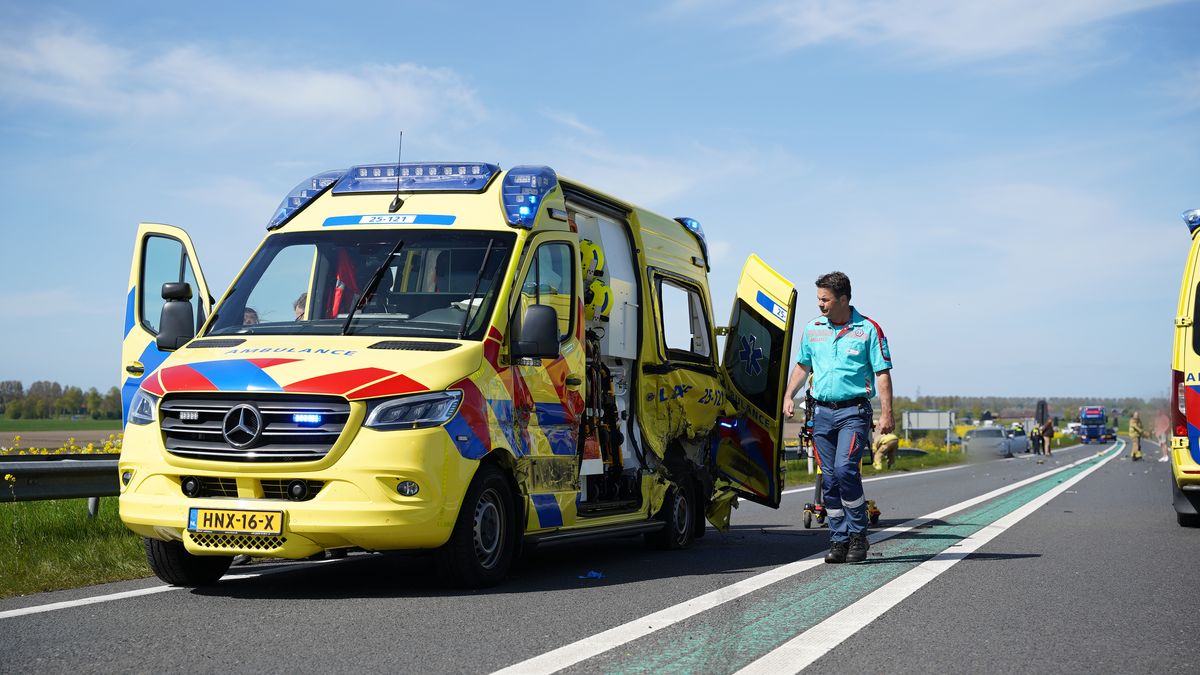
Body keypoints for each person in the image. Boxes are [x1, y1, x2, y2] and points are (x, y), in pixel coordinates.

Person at [784, 271, 893, 565]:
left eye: (825, 299)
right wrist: (788, 395)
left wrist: (887, 413)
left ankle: (859, 534)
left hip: (853, 413)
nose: (820, 305)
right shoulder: (813, 329)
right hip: (821, 413)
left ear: (843, 299)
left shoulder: (869, 330)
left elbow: (882, 373)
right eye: (818, 299)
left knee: (845, 470)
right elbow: (802, 365)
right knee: (829, 480)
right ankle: (839, 538)